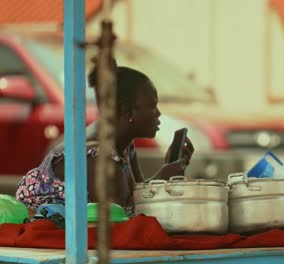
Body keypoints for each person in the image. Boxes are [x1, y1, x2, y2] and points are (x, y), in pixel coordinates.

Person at [15, 60, 194, 216]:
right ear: (127, 110)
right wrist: (162, 178)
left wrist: (166, 170)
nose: (158, 113)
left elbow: (136, 195)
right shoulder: (97, 154)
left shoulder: (125, 145)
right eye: (152, 105)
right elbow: (122, 216)